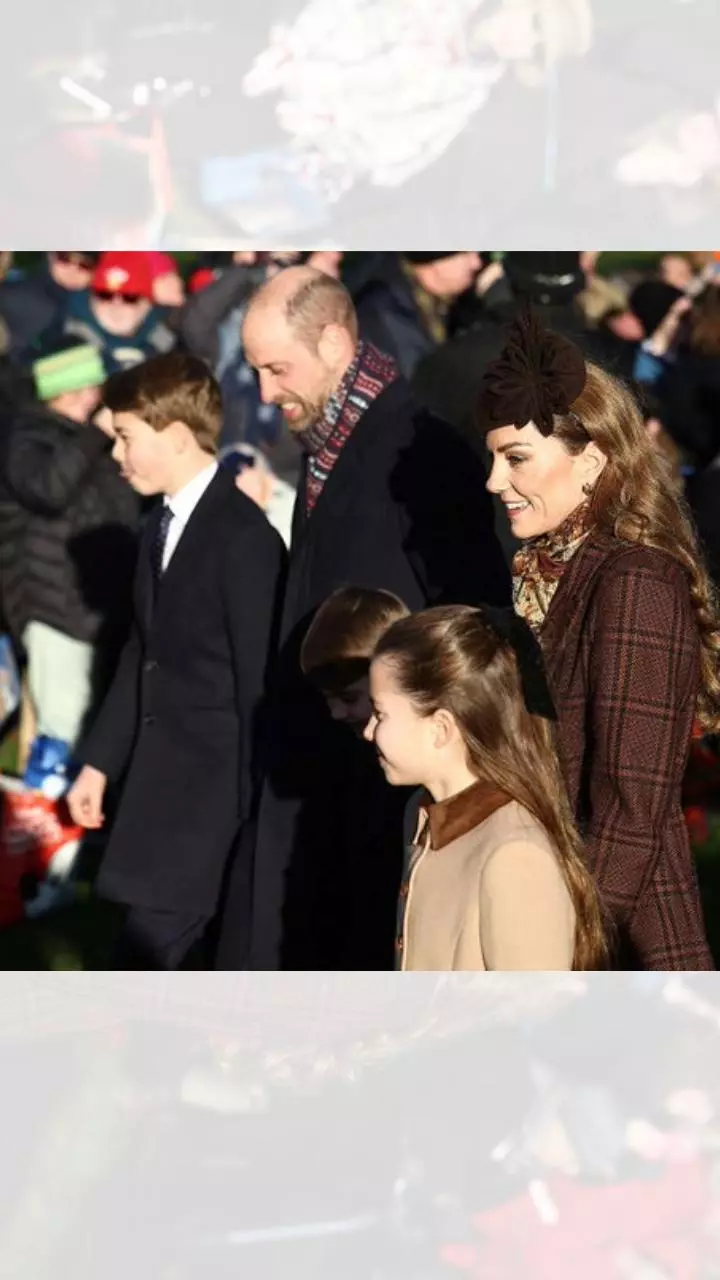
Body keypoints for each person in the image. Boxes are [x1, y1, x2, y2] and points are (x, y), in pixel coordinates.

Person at [219, 263, 510, 970]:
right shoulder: (331, 446)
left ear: (334, 345)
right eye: (254, 370)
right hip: (321, 788)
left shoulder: (421, 457)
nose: (264, 392)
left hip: (381, 799)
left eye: (276, 368)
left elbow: (471, 621)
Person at [478, 305, 716, 970]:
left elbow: (630, 814)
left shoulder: (636, 580)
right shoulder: (548, 571)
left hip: (619, 942)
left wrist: (563, 952)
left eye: (515, 458)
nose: (495, 481)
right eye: (493, 459)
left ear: (591, 462)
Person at [67, 352, 286, 970]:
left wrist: (252, 819)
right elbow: (145, 650)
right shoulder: (158, 528)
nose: (116, 456)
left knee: (146, 962)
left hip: (213, 805)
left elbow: (258, 689)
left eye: (126, 439)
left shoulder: (244, 542)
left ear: (178, 435)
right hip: (166, 796)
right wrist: (100, 763)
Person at [364, 604, 606, 971]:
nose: (368, 731)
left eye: (380, 714)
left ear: (440, 729)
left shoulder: (514, 854)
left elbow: (533, 1020)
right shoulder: (421, 812)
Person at [0, 339, 139, 752]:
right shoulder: (25, 436)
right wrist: (95, 434)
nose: (90, 396)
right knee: (64, 732)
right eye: (79, 388)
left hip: (98, 606)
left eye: (92, 387)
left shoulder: (86, 439)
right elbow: (48, 488)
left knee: (95, 733)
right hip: (53, 608)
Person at [297, 585, 412, 968]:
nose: (334, 714)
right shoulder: (346, 760)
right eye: (326, 700)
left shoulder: (411, 773)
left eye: (347, 698)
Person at [355, 252, 482, 380]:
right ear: (436, 260)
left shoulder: (440, 303)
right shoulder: (387, 315)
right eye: (466, 253)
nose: (476, 263)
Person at [56, 252, 176, 375]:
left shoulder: (169, 347)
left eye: (130, 297)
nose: (116, 305)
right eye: (105, 295)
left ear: (148, 304)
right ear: (91, 299)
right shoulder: (64, 345)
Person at [0, 252, 97, 362]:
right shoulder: (20, 293)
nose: (72, 269)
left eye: (85, 265)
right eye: (64, 258)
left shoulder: (94, 311)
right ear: (51, 256)